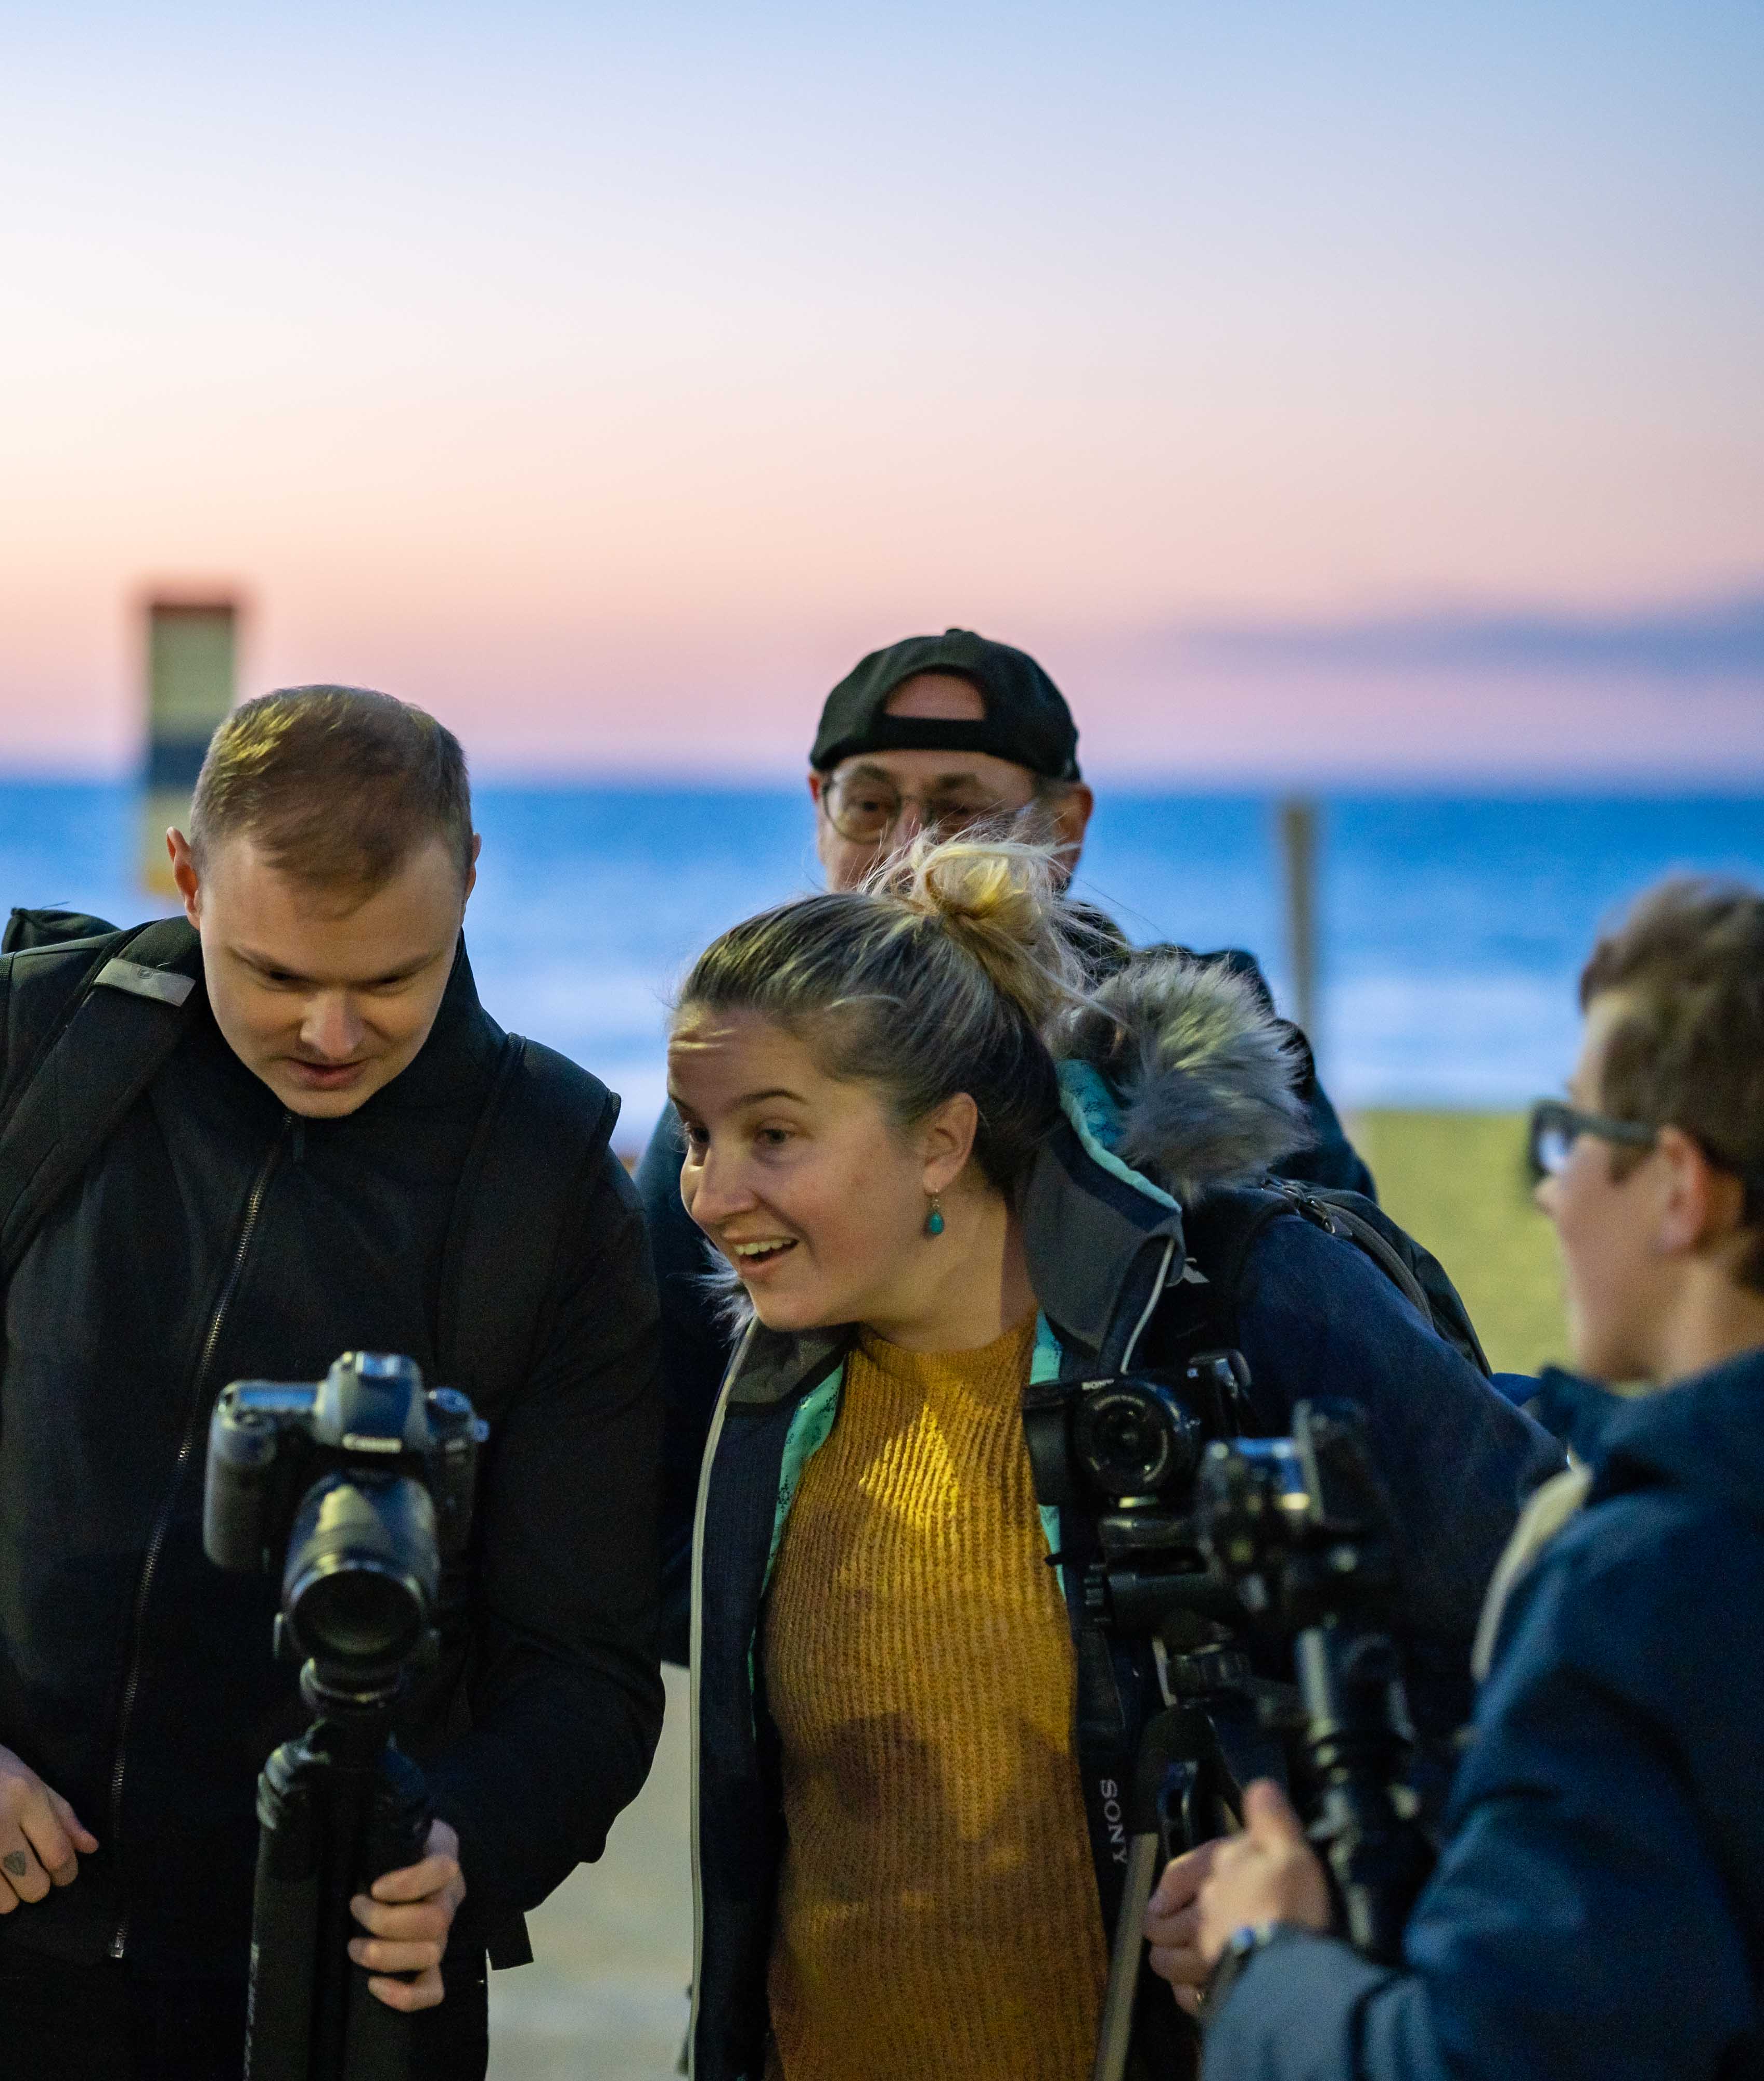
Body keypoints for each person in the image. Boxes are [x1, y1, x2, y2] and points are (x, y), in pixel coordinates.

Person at [0, 686, 662, 2079]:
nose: (331, 1033)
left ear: (468, 886)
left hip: (358, 1992)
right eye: (276, 976)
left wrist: (470, 1849)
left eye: (392, 980)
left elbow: (588, 1666)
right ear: (188, 876)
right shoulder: (17, 1051)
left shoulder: (552, 1175)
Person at [665, 836, 1553, 2081]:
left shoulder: (1240, 1310)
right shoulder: (776, 1397)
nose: (708, 1195)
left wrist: (1332, 1917)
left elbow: (1563, 1658)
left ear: (941, 1140)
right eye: (697, 1135)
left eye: (773, 1134)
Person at [637, 632, 1379, 1646]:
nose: (907, 847)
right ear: (817, 809)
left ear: (1064, 827)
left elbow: (1354, 1405)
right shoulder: (729, 1137)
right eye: (869, 803)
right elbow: (664, 1486)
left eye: (957, 808)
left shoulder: (1192, 1085)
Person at [1159, 875, 1764, 2081]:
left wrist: (1267, 1955)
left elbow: (1470, 2060)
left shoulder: (1637, 1586)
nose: (1548, 1187)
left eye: (1574, 1134)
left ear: (1681, 1189)